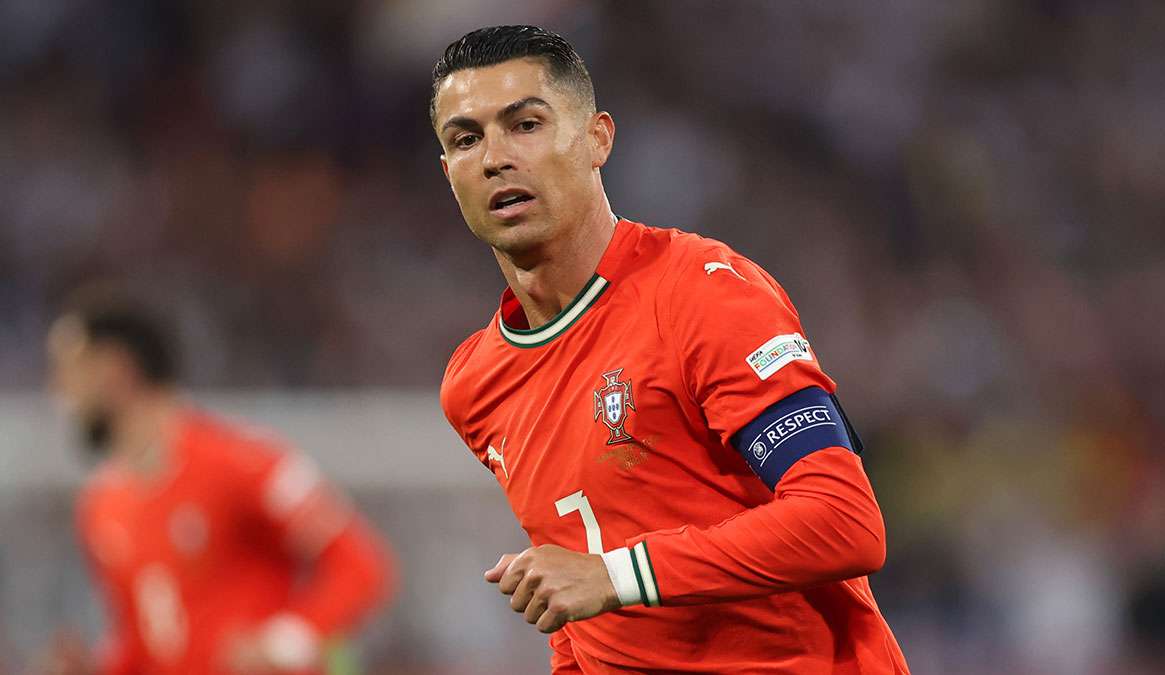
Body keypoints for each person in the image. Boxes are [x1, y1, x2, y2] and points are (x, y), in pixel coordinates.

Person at [435, 25, 910, 674]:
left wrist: (618, 575)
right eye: (466, 139)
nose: (495, 157)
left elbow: (843, 520)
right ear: (448, 173)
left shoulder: (702, 292)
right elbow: (576, 605)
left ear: (598, 139)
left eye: (525, 125)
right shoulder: (475, 384)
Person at [36, 290, 393, 675]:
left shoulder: (243, 462)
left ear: (115, 370)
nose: (58, 390)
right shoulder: (100, 507)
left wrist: (284, 641)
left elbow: (360, 565)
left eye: (69, 368)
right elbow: (147, 644)